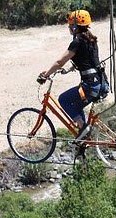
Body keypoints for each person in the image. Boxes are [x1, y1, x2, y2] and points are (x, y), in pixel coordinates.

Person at [38, 9, 105, 140]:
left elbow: (60, 62)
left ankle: (83, 128)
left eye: (70, 25)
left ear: (75, 27)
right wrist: (67, 70)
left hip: (90, 86)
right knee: (77, 106)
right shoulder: (91, 40)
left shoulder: (77, 42)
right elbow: (86, 61)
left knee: (64, 99)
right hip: (100, 83)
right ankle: (83, 136)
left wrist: (45, 75)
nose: (69, 27)